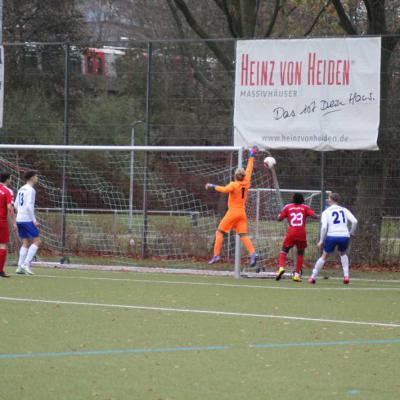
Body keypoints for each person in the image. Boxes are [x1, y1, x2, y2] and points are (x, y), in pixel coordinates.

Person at [206, 147, 258, 268]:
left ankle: (216, 255)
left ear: (235, 176)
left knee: (219, 232)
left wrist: (212, 185)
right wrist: (252, 155)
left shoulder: (233, 185)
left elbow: (224, 189)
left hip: (233, 212)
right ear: (244, 176)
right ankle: (253, 253)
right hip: (242, 213)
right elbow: (249, 169)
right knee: (243, 235)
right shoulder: (247, 181)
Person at [309, 192, 357, 285]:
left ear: (330, 200)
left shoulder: (326, 212)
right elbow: (355, 221)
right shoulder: (344, 210)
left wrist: (321, 240)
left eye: (328, 198)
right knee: (343, 254)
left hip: (332, 236)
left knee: (324, 255)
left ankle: (313, 277)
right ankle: (346, 276)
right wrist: (351, 232)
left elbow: (324, 227)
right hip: (344, 236)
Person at [276, 193, 318, 282]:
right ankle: (296, 275)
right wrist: (321, 216)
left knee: (284, 250)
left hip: (291, 233)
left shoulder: (287, 207)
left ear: (293, 199)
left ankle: (281, 268)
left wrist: (279, 216)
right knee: (300, 253)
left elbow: (279, 219)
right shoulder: (305, 207)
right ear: (302, 199)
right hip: (301, 233)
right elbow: (314, 216)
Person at [15, 170, 41, 275]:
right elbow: (29, 206)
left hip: (19, 219)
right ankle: (26, 264)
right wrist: (34, 221)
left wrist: (20, 213)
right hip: (27, 219)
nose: (37, 178)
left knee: (25, 242)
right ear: (31, 178)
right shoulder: (31, 190)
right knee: (37, 241)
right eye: (36, 176)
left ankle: (19, 267)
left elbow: (16, 205)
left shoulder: (21, 188)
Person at [0, 172, 17, 278]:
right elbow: (10, 208)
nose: (11, 180)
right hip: (1, 221)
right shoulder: (7, 191)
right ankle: (0, 271)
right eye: (10, 178)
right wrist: (14, 223)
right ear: (7, 179)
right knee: (2, 245)